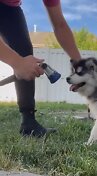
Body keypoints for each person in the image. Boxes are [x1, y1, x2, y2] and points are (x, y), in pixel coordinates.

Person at [0, 0, 81, 137]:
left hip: (10, 8)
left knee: (24, 49)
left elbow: (60, 25)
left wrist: (79, 65)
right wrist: (17, 62)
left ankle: (28, 123)